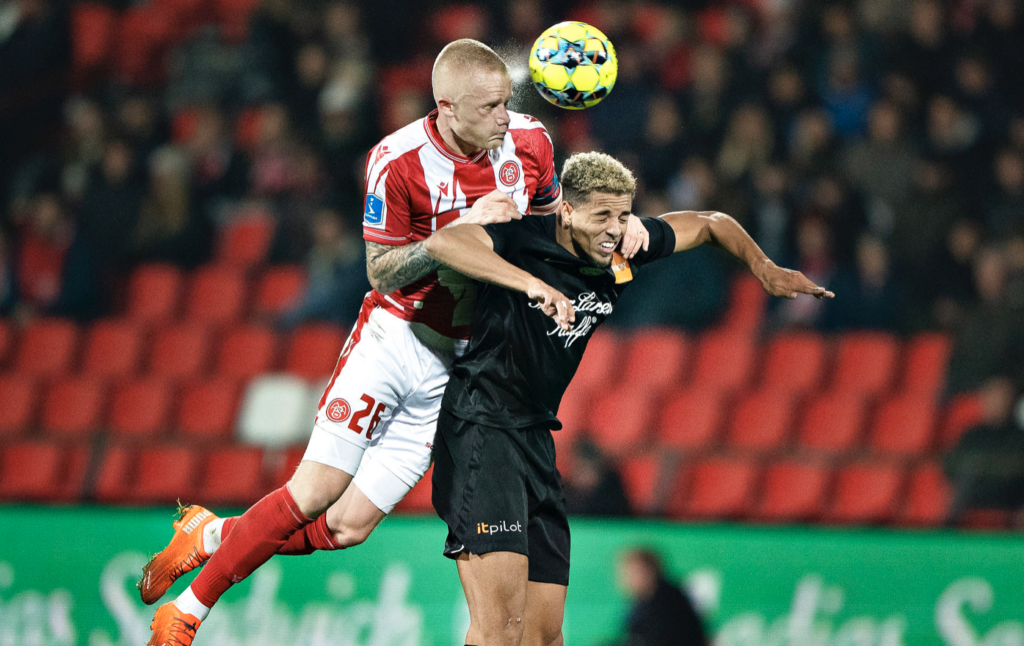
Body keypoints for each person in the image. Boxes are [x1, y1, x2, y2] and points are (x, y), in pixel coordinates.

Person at [141, 39, 649, 645]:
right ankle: (188, 612)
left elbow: (553, 231)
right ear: (445, 107)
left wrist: (622, 225)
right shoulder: (397, 158)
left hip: (459, 367)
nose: (502, 118)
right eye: (487, 108)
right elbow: (380, 270)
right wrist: (464, 226)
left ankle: (211, 536)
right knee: (313, 494)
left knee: (350, 526)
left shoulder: (530, 142)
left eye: (505, 103)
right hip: (396, 339)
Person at [425, 151, 831, 646]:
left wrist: (763, 268)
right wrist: (530, 283)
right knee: (500, 630)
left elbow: (710, 223)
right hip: (481, 427)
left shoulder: (621, 248)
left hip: (535, 438)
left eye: (622, 214)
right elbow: (445, 241)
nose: (613, 229)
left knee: (545, 635)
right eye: (602, 215)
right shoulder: (523, 238)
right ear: (567, 211)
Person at [617, 548, 709, 646]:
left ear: (652, 570)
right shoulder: (640, 604)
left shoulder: (671, 603)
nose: (633, 578)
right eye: (629, 573)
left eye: (638, 571)